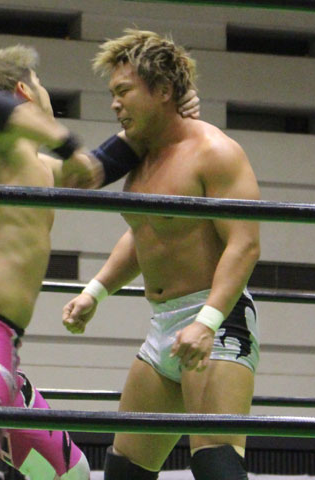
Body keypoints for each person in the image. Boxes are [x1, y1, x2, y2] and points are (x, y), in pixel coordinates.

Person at [0, 44, 201, 480]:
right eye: (41, 85)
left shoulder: (41, 169)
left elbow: (104, 164)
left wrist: (172, 112)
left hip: (2, 352)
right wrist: (67, 143)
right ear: (24, 91)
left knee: (69, 473)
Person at [62, 29, 261, 480]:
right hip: (164, 324)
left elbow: (244, 243)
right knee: (125, 469)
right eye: (113, 94)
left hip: (217, 318)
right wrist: (96, 290)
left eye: (124, 91)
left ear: (164, 90)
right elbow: (145, 231)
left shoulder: (214, 152)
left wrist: (206, 322)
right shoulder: (143, 159)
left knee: (215, 463)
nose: (115, 105)